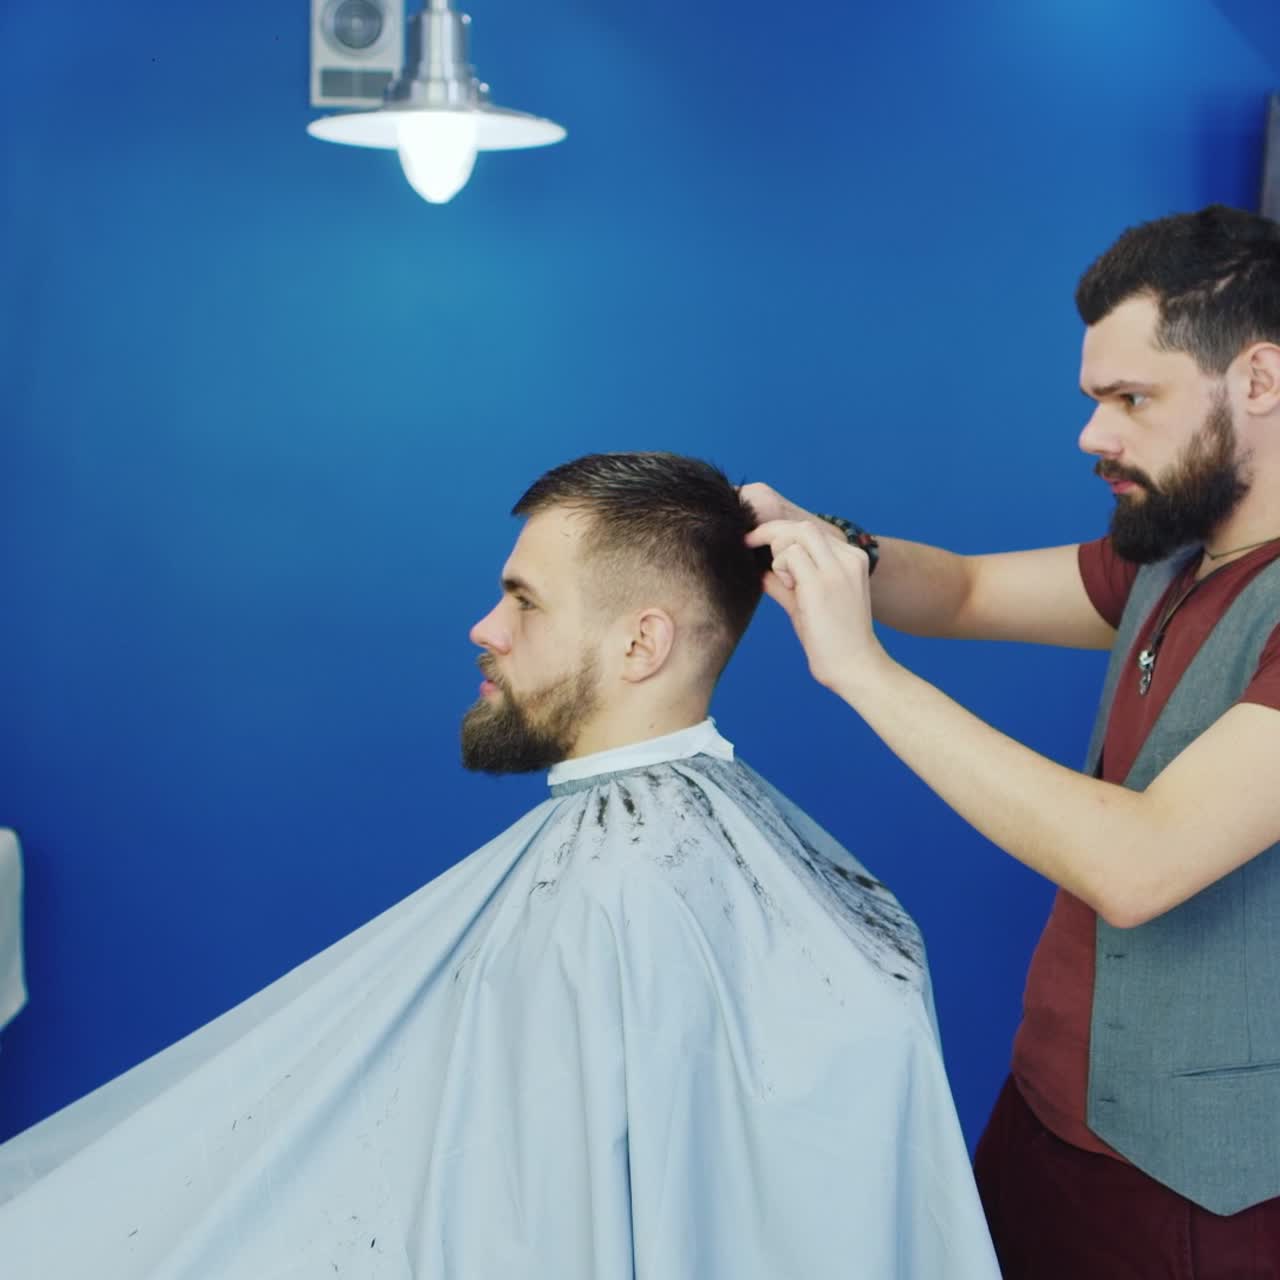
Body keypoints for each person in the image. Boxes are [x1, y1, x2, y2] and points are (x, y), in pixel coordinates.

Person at [0, 452, 999, 1279]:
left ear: (640, 640)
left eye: (522, 598)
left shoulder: (627, 887)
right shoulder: (695, 864)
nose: (485, 628)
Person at [744, 204, 1280, 1279]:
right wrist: (819, 538)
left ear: (1260, 380)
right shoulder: (1167, 559)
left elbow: (1139, 862)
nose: (1093, 435)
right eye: (1095, 399)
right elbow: (966, 588)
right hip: (1040, 1125)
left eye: (1131, 399)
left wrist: (859, 670)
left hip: (1200, 1194)